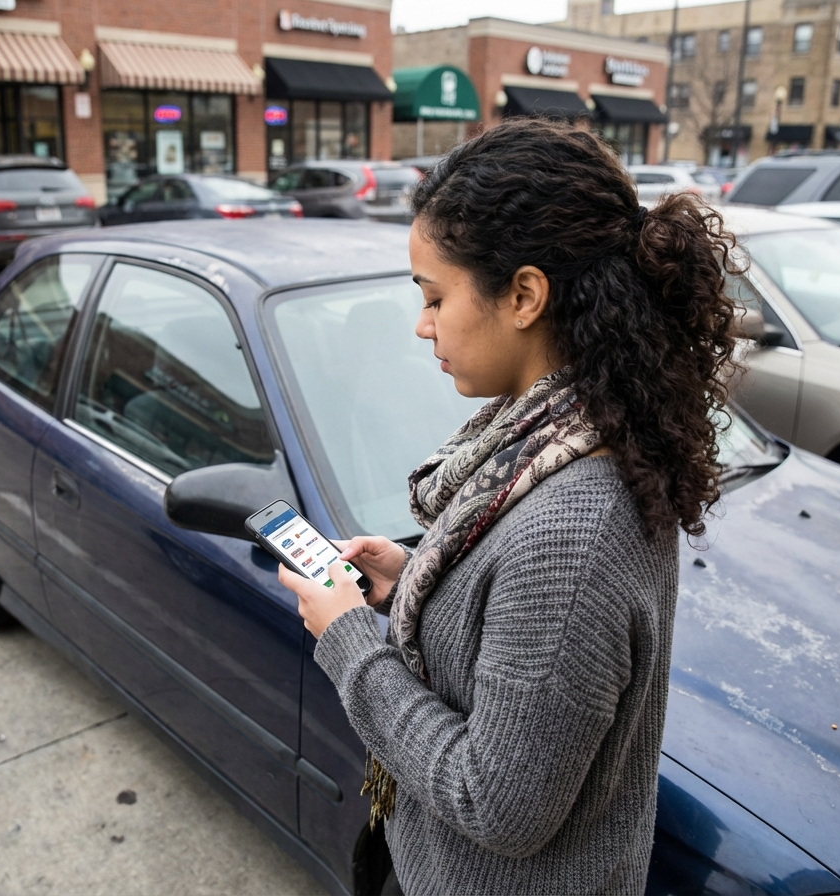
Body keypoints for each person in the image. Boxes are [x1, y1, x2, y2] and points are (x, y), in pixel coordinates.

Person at [277, 118, 742, 895]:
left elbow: (496, 803)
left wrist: (351, 641)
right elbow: (515, 638)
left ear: (524, 294)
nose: (422, 323)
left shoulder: (572, 529)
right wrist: (422, 575)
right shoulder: (558, 437)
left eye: (433, 296)